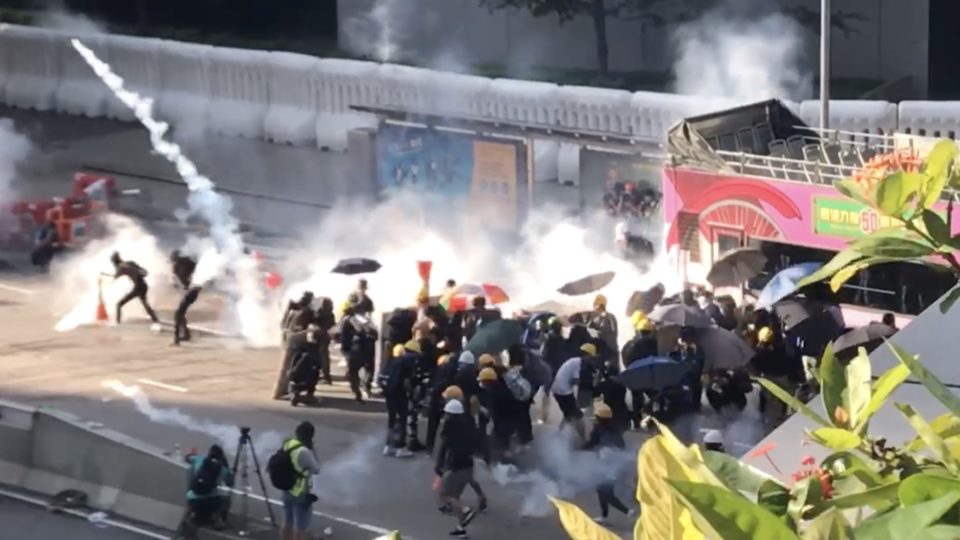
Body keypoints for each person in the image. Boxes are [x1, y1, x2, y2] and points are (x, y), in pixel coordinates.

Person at [434, 399, 479, 538]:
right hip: (468, 464)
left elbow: (443, 448)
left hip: (456, 465)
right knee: (455, 497)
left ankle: (465, 510)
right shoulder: (468, 424)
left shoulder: (448, 428)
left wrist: (438, 465)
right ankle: (461, 528)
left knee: (445, 494)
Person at [583, 403, 634, 524]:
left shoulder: (598, 429)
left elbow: (592, 443)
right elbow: (621, 445)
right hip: (615, 464)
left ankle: (627, 511)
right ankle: (604, 516)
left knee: (605, 492)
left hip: (604, 463)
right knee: (602, 489)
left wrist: (578, 449)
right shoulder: (615, 428)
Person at [176, 444, 234, 537]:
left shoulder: (199, 459)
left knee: (192, 494)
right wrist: (225, 464)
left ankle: (188, 516)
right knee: (225, 499)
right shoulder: (222, 469)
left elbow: (187, 458)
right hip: (210, 503)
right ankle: (217, 519)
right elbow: (230, 483)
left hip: (193, 500)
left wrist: (192, 454)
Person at [279, 421, 321, 540]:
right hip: (300, 492)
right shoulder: (305, 452)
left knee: (287, 522)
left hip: (286, 488)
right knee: (300, 527)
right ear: (311, 436)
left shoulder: (288, 443)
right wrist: (314, 451)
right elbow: (316, 469)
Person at [550, 343, 598, 440]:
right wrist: (589, 381)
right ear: (587, 355)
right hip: (564, 392)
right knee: (578, 416)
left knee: (569, 415)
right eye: (591, 357)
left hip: (558, 390)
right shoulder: (577, 363)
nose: (591, 360)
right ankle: (584, 440)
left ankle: (558, 434)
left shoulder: (573, 361)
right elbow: (575, 381)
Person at [382, 341, 419, 458]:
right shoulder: (406, 363)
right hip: (399, 394)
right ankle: (400, 447)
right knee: (401, 420)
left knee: (392, 420)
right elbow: (406, 382)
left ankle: (389, 446)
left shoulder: (391, 361)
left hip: (389, 394)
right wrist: (411, 392)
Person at [340, 301, 379, 401]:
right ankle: (366, 387)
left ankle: (356, 391)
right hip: (369, 348)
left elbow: (344, 336)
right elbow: (375, 334)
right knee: (369, 369)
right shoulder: (368, 320)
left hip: (355, 349)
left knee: (353, 371)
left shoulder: (349, 320)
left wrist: (345, 349)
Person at [477, 366, 517, 463]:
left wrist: (483, 411)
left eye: (482, 381)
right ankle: (508, 462)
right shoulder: (503, 389)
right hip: (510, 422)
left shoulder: (493, 394)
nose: (481, 384)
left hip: (500, 424)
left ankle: (499, 463)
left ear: (487, 381)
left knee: (496, 444)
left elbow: (492, 411)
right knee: (505, 444)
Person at [107, 251, 159, 324]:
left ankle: (117, 323)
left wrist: (105, 275)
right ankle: (155, 319)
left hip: (138, 287)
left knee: (119, 304)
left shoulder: (120, 268)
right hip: (144, 285)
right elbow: (143, 270)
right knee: (145, 304)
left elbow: (114, 278)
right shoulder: (130, 262)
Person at [273, 325, 321, 404]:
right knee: (312, 371)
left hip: (295, 370)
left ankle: (291, 392)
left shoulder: (297, 342)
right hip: (303, 370)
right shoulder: (309, 346)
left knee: (295, 369)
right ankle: (309, 394)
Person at [170, 250, 201, 347]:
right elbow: (178, 280)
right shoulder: (176, 267)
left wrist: (191, 284)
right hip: (188, 291)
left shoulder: (187, 262)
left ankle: (177, 340)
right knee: (181, 313)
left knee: (178, 313)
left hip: (192, 290)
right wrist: (181, 286)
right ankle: (186, 334)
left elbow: (198, 271)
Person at [587, 295, 618, 367]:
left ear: (598, 305)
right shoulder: (610, 317)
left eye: (595, 304)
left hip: (606, 352)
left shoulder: (603, 318)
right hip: (609, 352)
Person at [314, 298, 337, 385]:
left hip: (320, 336)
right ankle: (325, 375)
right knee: (324, 356)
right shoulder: (330, 314)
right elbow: (332, 324)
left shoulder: (320, 312)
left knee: (321, 356)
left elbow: (315, 321)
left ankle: (324, 375)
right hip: (325, 336)